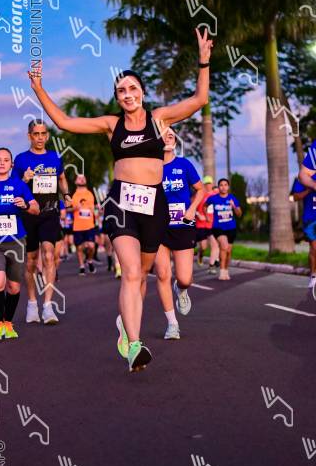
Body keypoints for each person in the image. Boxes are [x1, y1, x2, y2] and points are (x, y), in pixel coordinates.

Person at [28, 27, 212, 372]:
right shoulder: (111, 125)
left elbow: (199, 100)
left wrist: (204, 61)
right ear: (117, 97)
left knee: (142, 275)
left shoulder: (160, 119)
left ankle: (126, 328)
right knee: (130, 272)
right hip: (121, 204)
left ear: (142, 92)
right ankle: (135, 346)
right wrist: (38, 88)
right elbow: (64, 122)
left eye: (133, 88)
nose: (128, 94)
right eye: (121, 91)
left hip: (154, 205)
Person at [0, 148, 39, 340]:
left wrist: (25, 205)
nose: (1, 163)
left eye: (5, 160)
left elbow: (35, 208)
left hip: (16, 241)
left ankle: (8, 323)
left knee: (14, 287)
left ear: (11, 164)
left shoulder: (19, 184)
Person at [13, 120, 71, 324]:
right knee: (30, 260)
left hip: (50, 213)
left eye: (43, 133)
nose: (40, 137)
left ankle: (48, 306)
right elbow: (12, 187)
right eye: (36, 134)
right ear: (29, 135)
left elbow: (62, 178)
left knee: (49, 254)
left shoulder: (54, 157)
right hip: (28, 214)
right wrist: (24, 180)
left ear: (47, 135)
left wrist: (66, 195)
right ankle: (31, 303)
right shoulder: (21, 159)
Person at [154, 129, 204, 339]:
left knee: (185, 279)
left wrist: (192, 209)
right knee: (162, 274)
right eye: (164, 134)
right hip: (158, 227)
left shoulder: (184, 164)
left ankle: (181, 289)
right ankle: (172, 324)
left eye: (172, 135)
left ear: (175, 142)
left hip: (183, 224)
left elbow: (200, 189)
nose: (168, 137)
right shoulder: (151, 167)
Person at [205, 178, 242, 280]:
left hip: (231, 227)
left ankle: (226, 270)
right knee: (224, 246)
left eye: (225, 185)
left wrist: (234, 206)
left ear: (228, 187)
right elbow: (205, 205)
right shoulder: (213, 198)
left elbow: (239, 214)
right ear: (218, 187)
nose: (223, 187)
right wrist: (207, 216)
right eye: (221, 185)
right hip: (218, 227)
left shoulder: (232, 198)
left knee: (228, 251)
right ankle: (221, 272)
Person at [291, 175, 316, 289]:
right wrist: (310, 188)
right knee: (314, 248)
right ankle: (313, 276)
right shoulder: (303, 179)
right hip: (311, 219)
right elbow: (295, 197)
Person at [71, 175, 97, 275]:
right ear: (75, 181)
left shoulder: (90, 193)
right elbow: (67, 209)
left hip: (89, 225)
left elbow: (94, 208)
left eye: (83, 178)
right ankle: (82, 266)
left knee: (91, 246)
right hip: (77, 225)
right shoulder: (73, 194)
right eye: (79, 178)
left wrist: (96, 211)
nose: (82, 179)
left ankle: (89, 260)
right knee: (79, 247)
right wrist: (75, 208)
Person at [196, 176, 220, 273]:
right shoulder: (200, 195)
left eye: (209, 183)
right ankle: (200, 254)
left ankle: (212, 265)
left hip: (211, 225)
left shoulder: (215, 196)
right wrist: (198, 215)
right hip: (201, 224)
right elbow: (191, 207)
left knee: (215, 244)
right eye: (206, 183)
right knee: (203, 246)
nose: (208, 185)